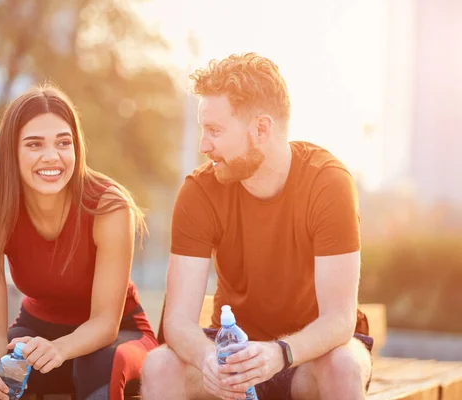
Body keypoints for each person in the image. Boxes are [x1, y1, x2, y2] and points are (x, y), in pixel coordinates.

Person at [141, 53, 374, 400]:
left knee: (345, 367)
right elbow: (177, 321)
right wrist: (209, 360)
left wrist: (278, 353)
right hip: (232, 358)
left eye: (215, 131)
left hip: (312, 356)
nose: (204, 145)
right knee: (158, 367)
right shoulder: (199, 191)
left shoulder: (329, 183)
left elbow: (339, 320)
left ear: (261, 129)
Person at [0, 85, 158, 400]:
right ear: (12, 152)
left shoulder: (108, 206)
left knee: (100, 365)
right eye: (34, 144)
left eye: (64, 143)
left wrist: (58, 349)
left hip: (119, 335)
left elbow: (104, 323)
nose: (52, 157)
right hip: (38, 332)